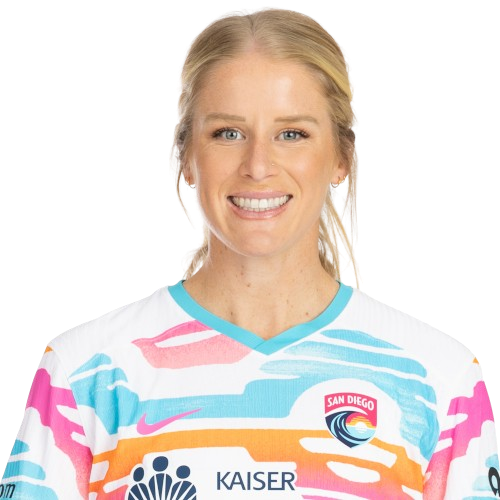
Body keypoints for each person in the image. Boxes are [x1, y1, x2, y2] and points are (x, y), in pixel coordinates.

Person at [2, 6, 498, 499]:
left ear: (341, 158)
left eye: (292, 134)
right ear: (186, 157)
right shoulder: (84, 373)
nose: (258, 166)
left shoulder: (441, 378)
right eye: (228, 133)